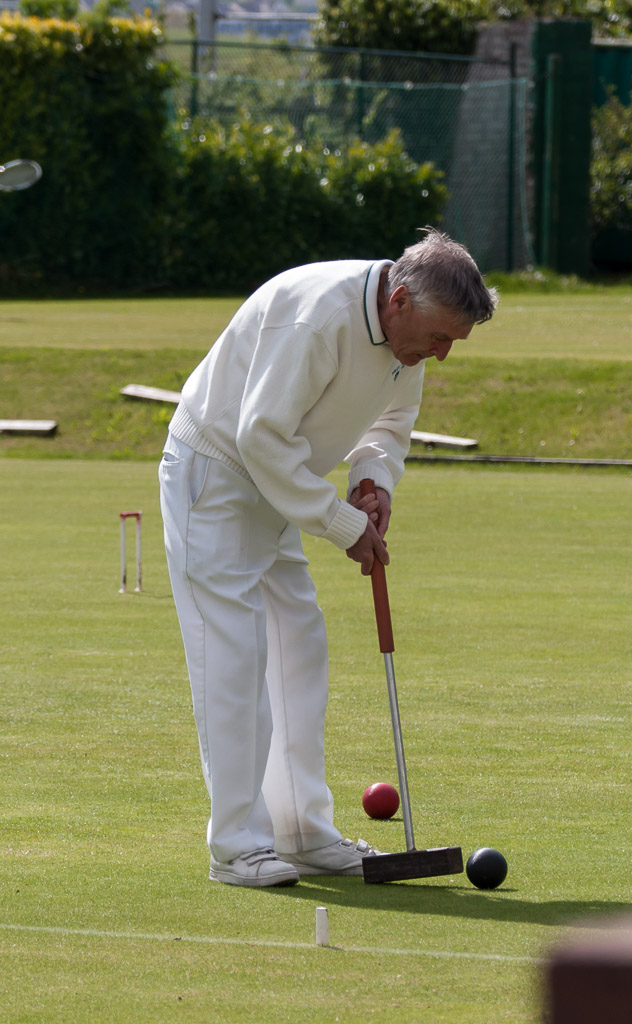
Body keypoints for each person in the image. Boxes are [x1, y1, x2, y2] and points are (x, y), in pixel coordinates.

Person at [159, 229, 498, 887]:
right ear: (399, 300)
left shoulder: (407, 341)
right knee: (235, 656)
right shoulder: (319, 317)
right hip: (217, 476)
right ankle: (237, 846)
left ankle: (301, 833)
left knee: (299, 647)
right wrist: (342, 523)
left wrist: (372, 480)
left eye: (453, 342)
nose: (442, 353)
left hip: (280, 483)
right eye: (439, 337)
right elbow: (260, 435)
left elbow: (389, 425)